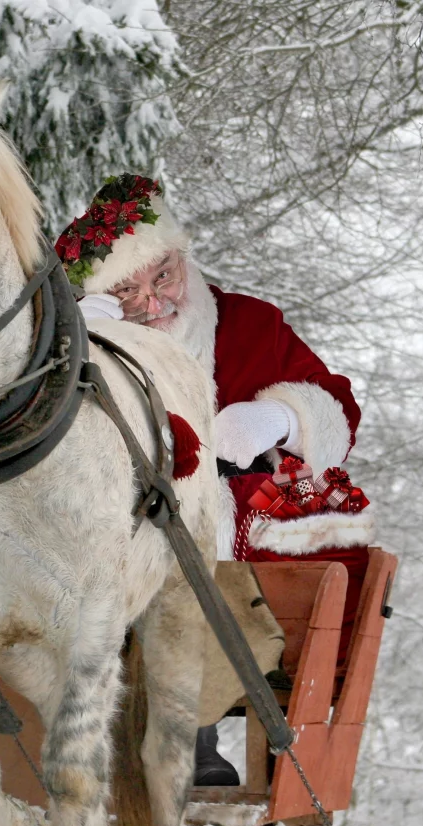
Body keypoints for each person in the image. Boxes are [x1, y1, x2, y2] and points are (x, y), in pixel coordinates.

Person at [54, 174, 373, 787]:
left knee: (193, 568)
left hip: (228, 542)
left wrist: (280, 417)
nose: (153, 303)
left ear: (183, 259)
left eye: (163, 277)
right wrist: (84, 343)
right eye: (127, 291)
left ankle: (192, 739)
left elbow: (337, 408)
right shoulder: (83, 339)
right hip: (104, 532)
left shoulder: (248, 324)